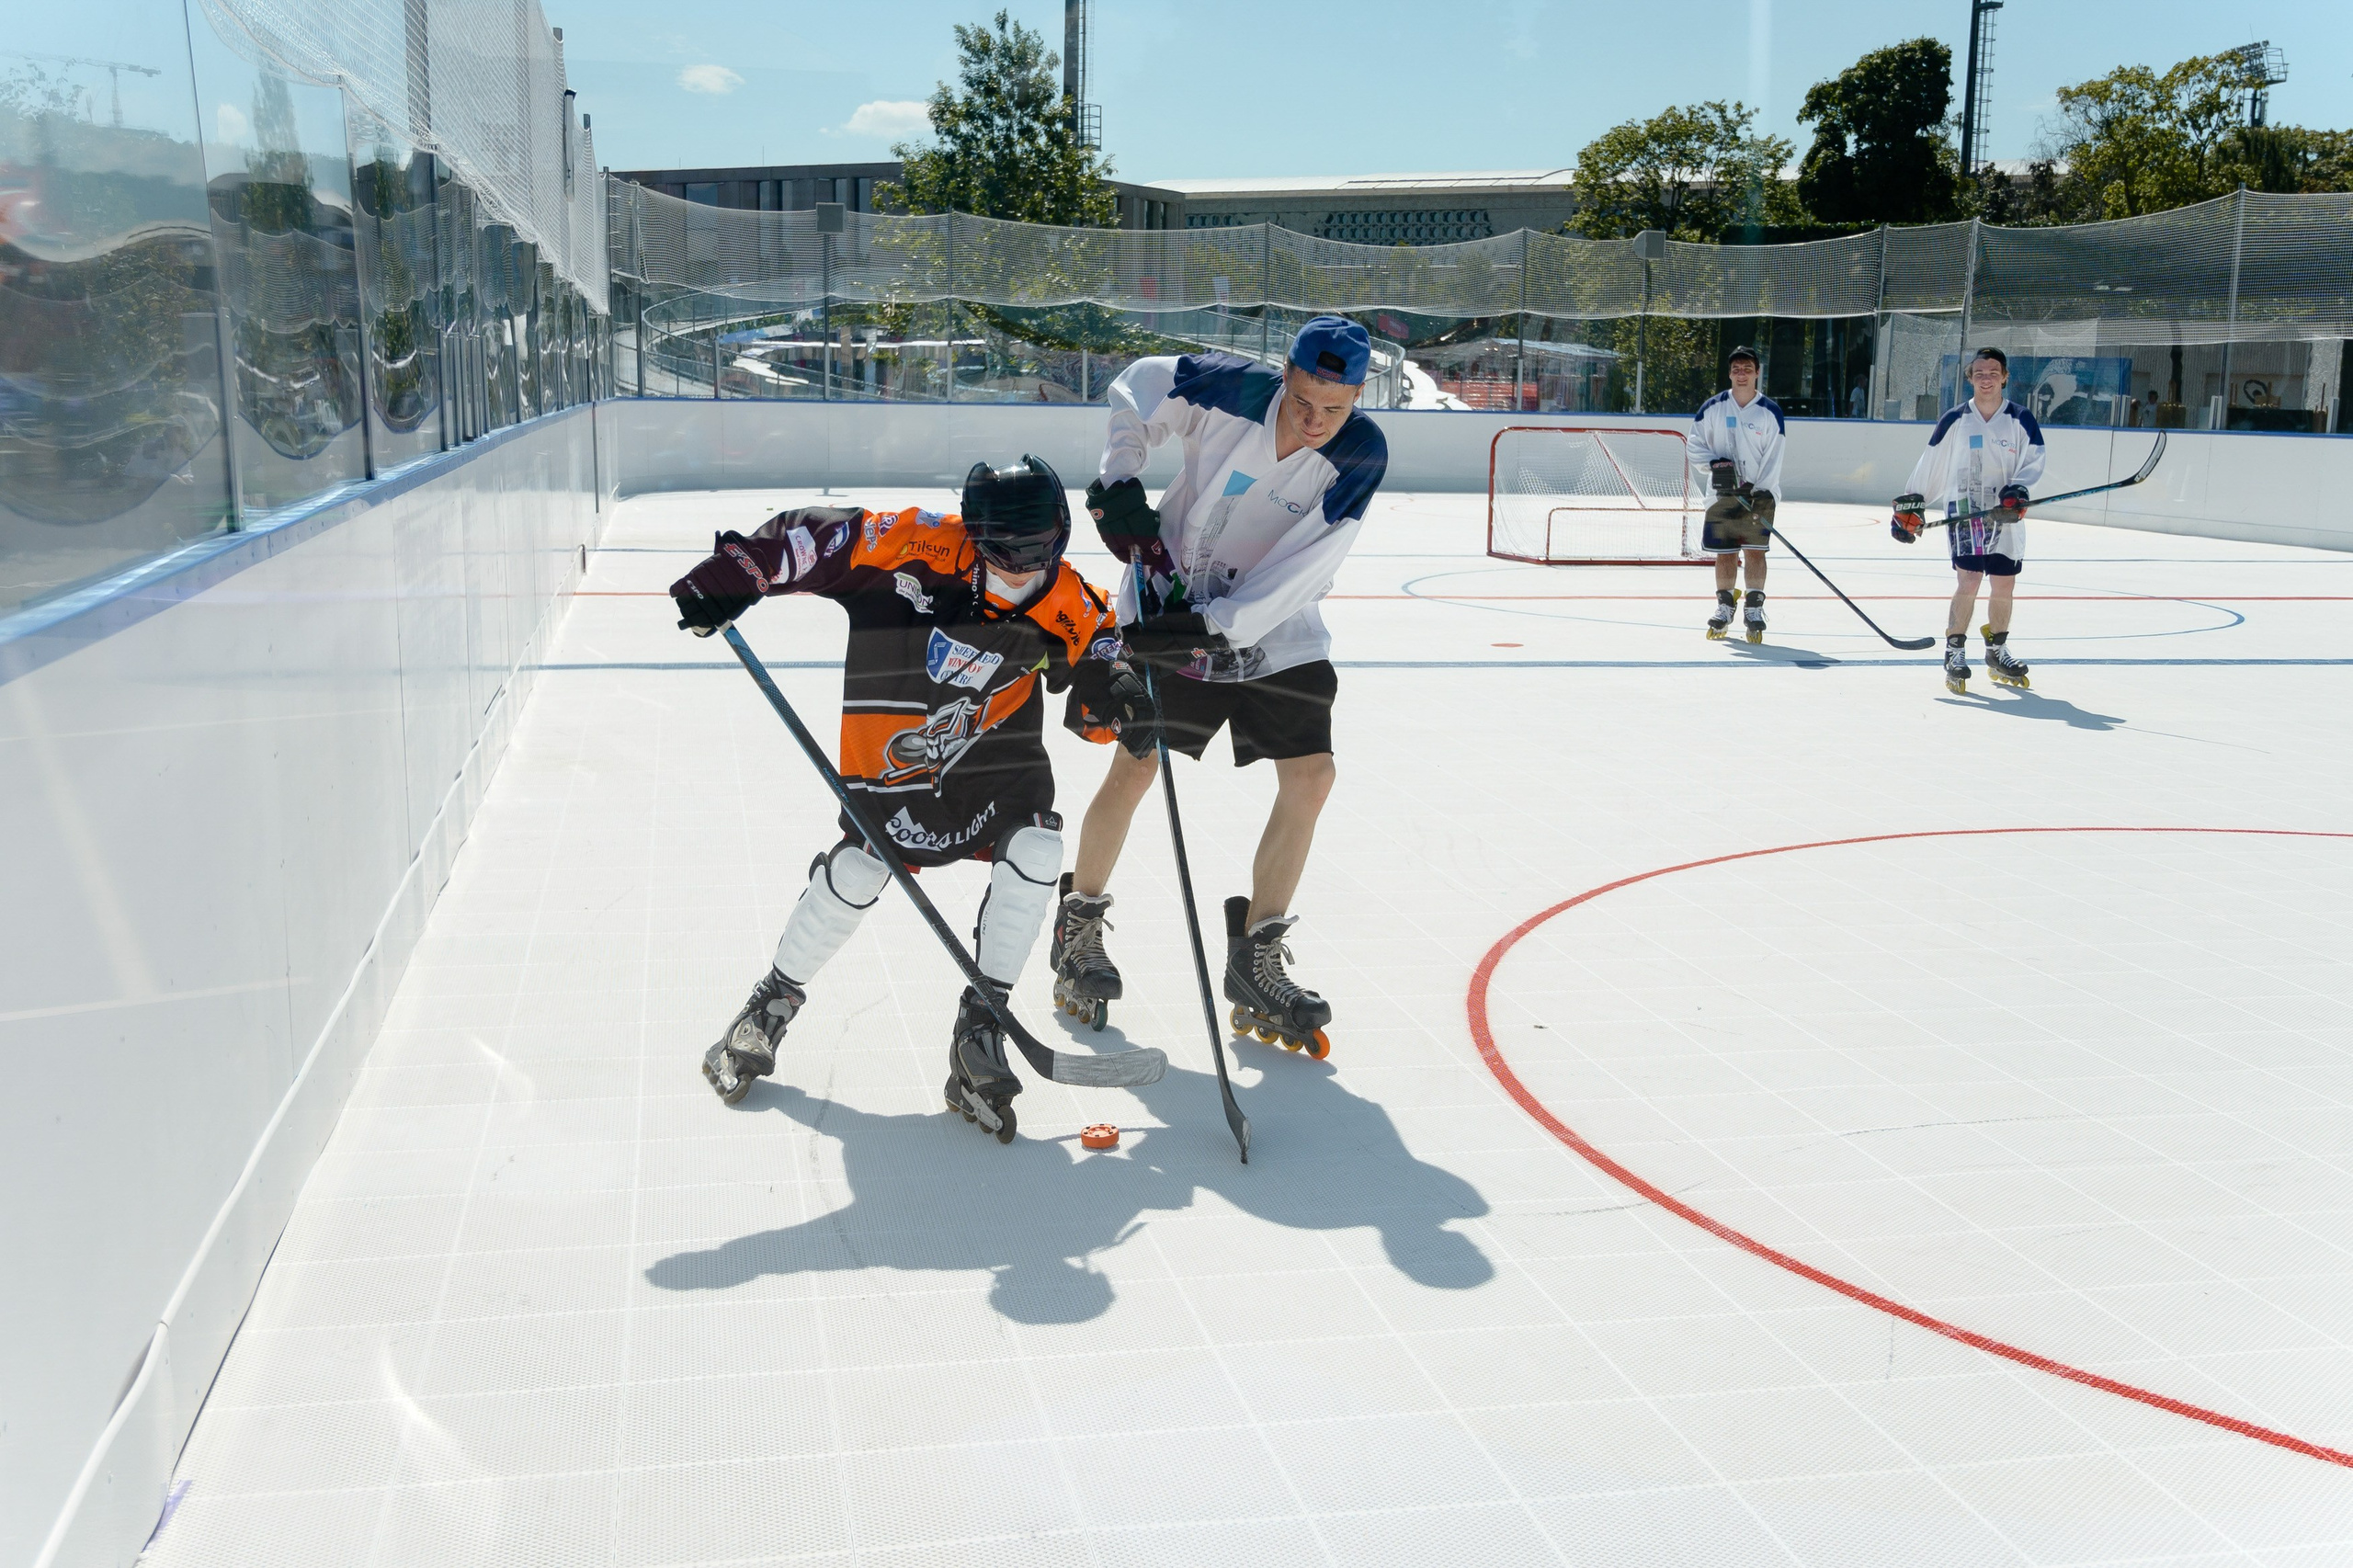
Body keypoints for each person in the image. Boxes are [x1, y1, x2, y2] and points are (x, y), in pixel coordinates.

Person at [666, 456, 1151, 1140]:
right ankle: (770, 1003)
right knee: (861, 870)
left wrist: (1121, 688)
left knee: (1040, 848)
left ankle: (982, 1023)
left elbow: (1103, 646)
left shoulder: (1066, 595)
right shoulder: (918, 544)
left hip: (996, 760)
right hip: (897, 759)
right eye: (1005, 550)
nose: (1024, 565)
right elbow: (813, 540)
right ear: (975, 535)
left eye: (1041, 548)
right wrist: (736, 576)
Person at [1051, 316, 1389, 1057]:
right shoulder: (1232, 386)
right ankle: (1078, 922)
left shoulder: (1360, 450)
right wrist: (1120, 475)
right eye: (1304, 402)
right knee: (1137, 765)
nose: (1315, 421)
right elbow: (1140, 382)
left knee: (1312, 776)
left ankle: (1258, 952)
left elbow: (1309, 565)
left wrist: (1215, 629)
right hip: (1170, 596)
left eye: (1334, 408)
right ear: (1287, 376)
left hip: (1270, 624)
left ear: (1358, 396)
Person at [1890, 346, 2048, 693]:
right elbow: (1930, 463)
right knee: (1970, 580)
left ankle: (1997, 648)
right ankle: (1955, 649)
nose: (1986, 379)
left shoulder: (2020, 418)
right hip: (1965, 512)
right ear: (1970, 379)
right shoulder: (1955, 419)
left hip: (2006, 513)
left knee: (2004, 584)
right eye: (1979, 373)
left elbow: (2034, 459)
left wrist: (2019, 490)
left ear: (2005, 376)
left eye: (1993, 373)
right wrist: (1910, 506)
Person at [1686, 346, 1784, 643]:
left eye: (1747, 369)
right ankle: (1725, 606)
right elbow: (1694, 445)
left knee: (1755, 552)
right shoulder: (1712, 407)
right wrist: (1714, 464)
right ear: (1730, 374)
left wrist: (1758, 491)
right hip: (1720, 496)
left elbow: (1774, 456)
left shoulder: (1770, 411)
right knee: (1725, 555)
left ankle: (1754, 608)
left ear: (1756, 373)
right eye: (1736, 369)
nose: (1742, 375)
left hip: (1759, 495)